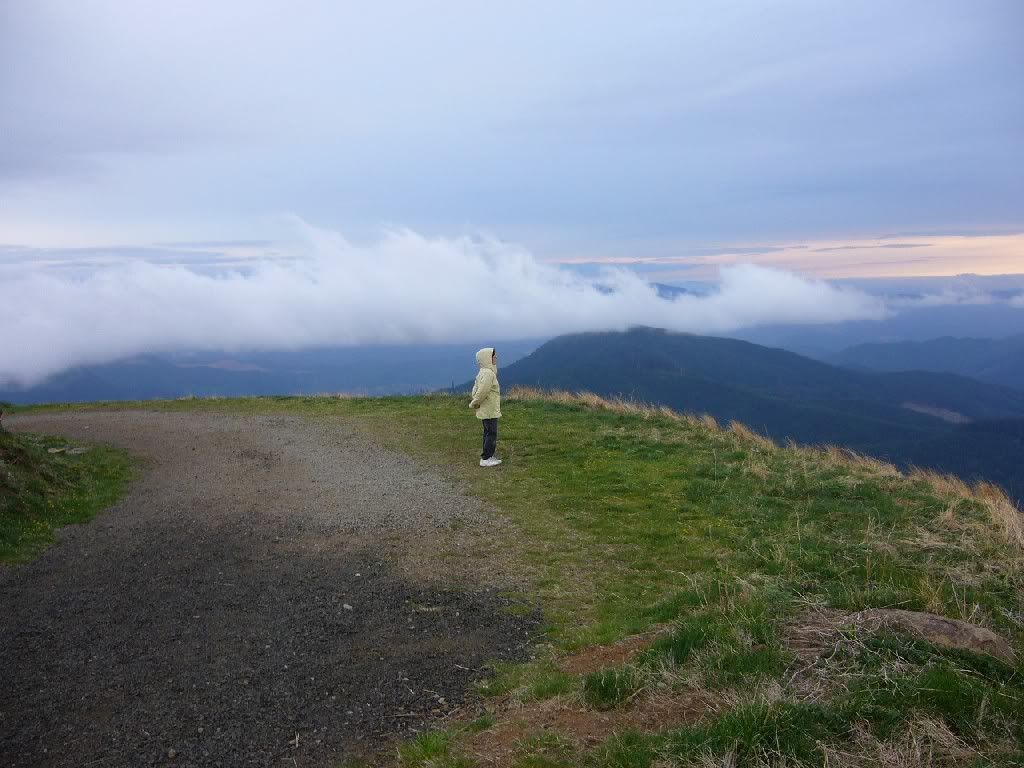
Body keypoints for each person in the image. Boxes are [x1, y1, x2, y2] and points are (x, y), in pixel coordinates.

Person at [469, 347, 502, 467]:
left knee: (488, 432)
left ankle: (487, 456)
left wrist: (475, 400)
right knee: (491, 433)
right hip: (489, 410)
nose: (496, 357)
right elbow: (482, 391)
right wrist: (475, 402)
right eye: (493, 356)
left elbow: (475, 389)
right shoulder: (488, 373)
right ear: (487, 358)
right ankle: (486, 458)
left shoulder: (482, 372)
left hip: (486, 409)